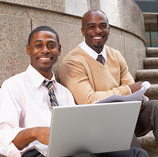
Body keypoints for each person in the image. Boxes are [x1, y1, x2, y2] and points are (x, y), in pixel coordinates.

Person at [0, 25, 154, 157]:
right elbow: (1, 136)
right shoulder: (14, 86)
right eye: (38, 45)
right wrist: (35, 133)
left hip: (74, 153)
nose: (45, 50)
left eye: (51, 45)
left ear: (59, 50)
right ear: (28, 49)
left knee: (136, 156)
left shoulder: (64, 93)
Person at [59, 9, 158, 146]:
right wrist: (128, 91)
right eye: (92, 27)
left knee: (155, 107)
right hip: (96, 124)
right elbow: (88, 101)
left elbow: (133, 89)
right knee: (123, 134)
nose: (98, 31)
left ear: (109, 29)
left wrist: (136, 97)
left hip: (124, 115)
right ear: (82, 31)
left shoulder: (115, 54)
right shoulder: (72, 62)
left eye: (103, 26)